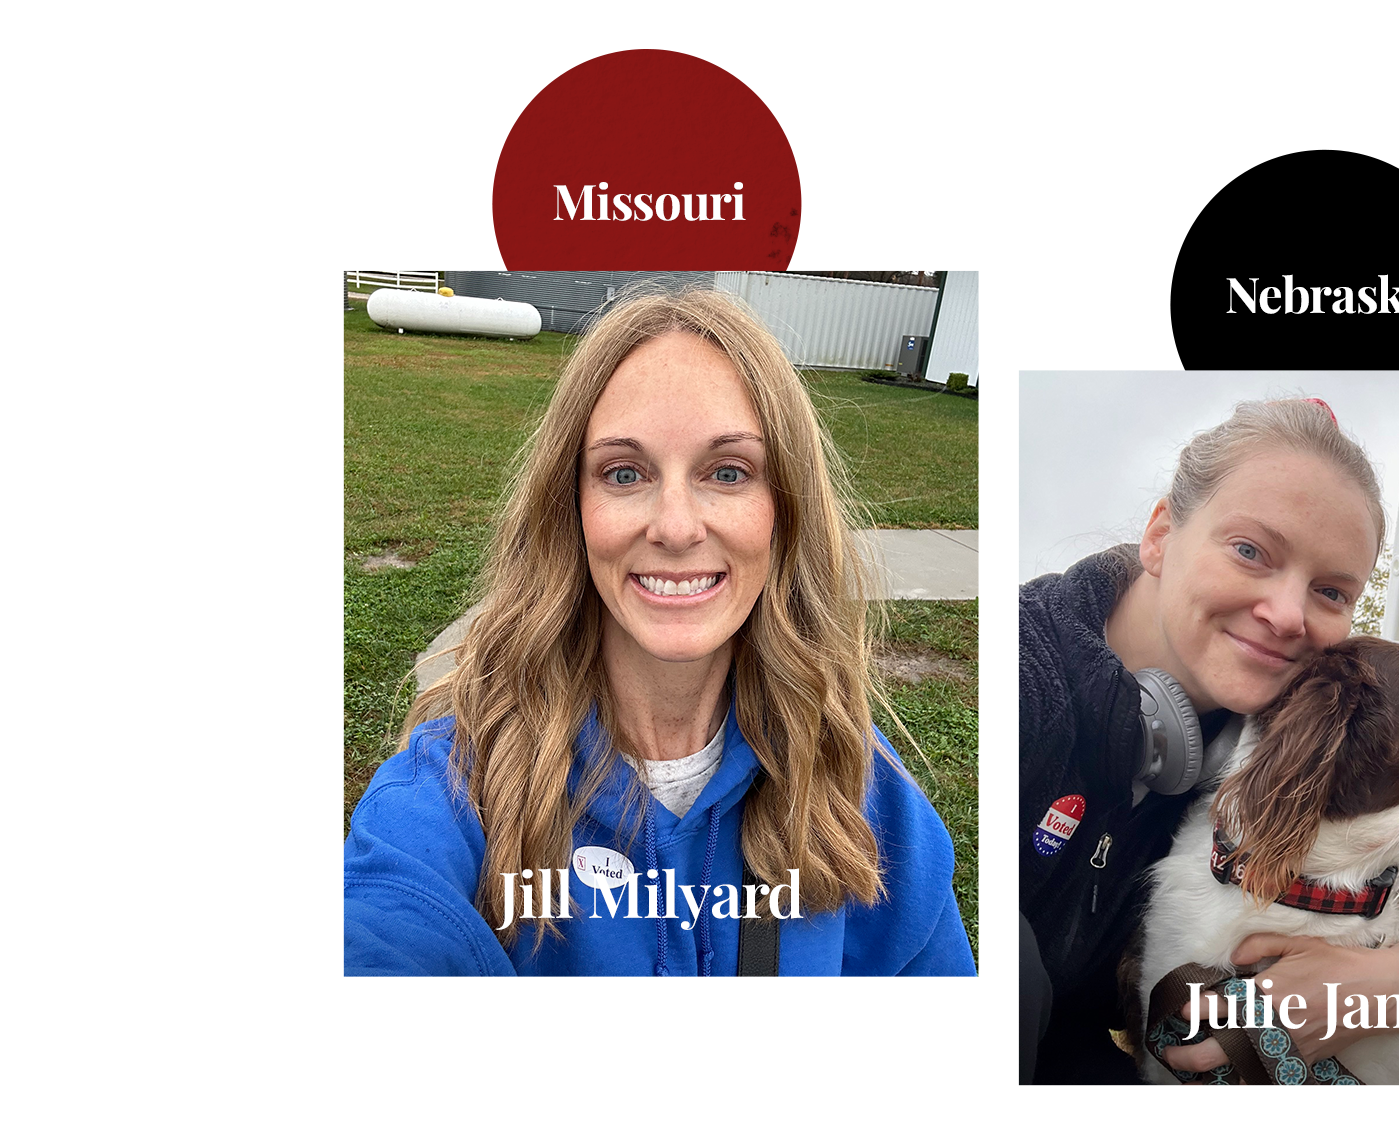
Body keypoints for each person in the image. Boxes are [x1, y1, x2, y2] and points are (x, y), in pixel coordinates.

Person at [345, 288, 974, 976]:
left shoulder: (863, 791)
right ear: (571, 509)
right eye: (625, 472)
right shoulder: (452, 788)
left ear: (783, 513)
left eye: (728, 472)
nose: (675, 527)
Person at [1019, 397, 1399, 1081]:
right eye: (1250, 551)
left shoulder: (1268, 747)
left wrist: (1381, 983)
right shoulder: (1022, 682)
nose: (1285, 615)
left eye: (1332, 592)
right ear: (1159, 534)